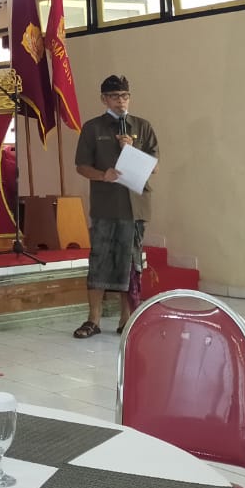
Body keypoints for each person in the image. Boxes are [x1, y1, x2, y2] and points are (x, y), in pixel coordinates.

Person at [72, 74, 160, 339]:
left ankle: (127, 319)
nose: (120, 102)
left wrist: (132, 150)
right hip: (106, 206)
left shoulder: (142, 127)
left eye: (124, 96)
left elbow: (154, 166)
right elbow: (81, 166)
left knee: (131, 264)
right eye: (114, 97)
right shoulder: (93, 128)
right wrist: (103, 175)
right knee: (99, 261)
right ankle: (93, 319)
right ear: (104, 99)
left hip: (135, 207)